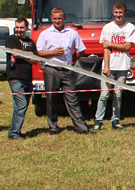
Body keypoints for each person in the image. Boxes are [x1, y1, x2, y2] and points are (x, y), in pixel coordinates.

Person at [35, 7, 95, 135]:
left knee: (72, 98)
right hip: (51, 69)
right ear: (51, 19)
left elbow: (81, 50)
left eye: (59, 18)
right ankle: (53, 127)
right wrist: (53, 52)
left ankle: (81, 127)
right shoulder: (45, 34)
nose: (57, 21)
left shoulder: (72, 33)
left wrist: (73, 60)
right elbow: (38, 52)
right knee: (51, 98)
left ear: (64, 18)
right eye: (55, 18)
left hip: (67, 70)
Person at [95, 2, 135, 131]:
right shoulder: (107, 28)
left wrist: (111, 43)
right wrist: (106, 66)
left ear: (124, 13)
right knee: (104, 94)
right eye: (116, 12)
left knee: (118, 95)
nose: (118, 15)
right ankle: (98, 120)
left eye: (121, 12)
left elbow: (127, 46)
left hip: (123, 66)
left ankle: (116, 120)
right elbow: (105, 49)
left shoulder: (130, 27)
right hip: (109, 66)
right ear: (113, 13)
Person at [5, 18, 38, 140]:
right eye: (17, 27)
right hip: (15, 76)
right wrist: (28, 54)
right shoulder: (11, 39)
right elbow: (14, 53)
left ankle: (15, 130)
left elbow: (35, 60)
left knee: (20, 105)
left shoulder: (31, 42)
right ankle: (14, 133)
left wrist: (24, 55)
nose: (19, 30)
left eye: (21, 27)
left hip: (27, 77)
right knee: (21, 104)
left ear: (26, 28)